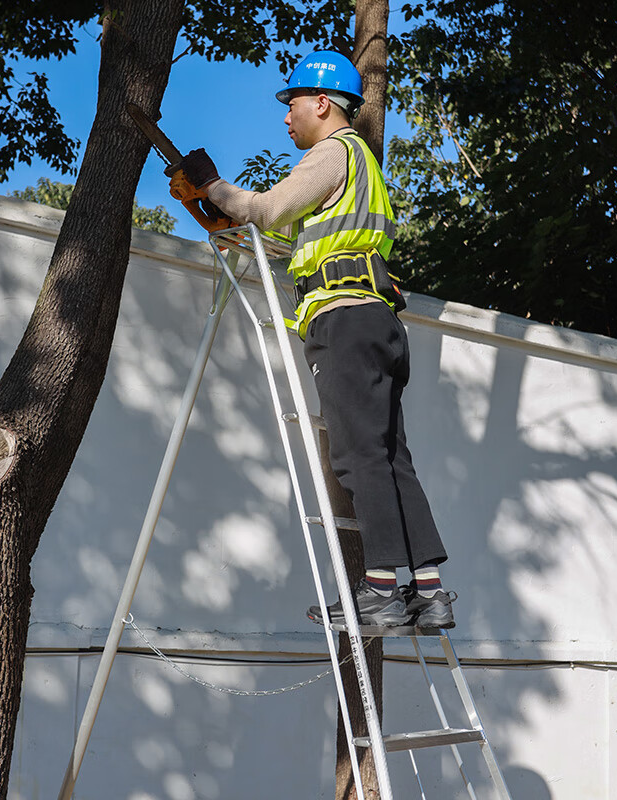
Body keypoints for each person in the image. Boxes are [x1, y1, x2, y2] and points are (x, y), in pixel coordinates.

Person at [172, 51, 455, 629]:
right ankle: (429, 592)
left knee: (355, 457)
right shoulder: (364, 167)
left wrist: (211, 184)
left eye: (292, 104)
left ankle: (379, 590)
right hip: (377, 323)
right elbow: (292, 235)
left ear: (322, 103)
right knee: (391, 457)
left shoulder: (333, 152)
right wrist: (222, 217)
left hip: (345, 324)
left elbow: (268, 209)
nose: (286, 118)